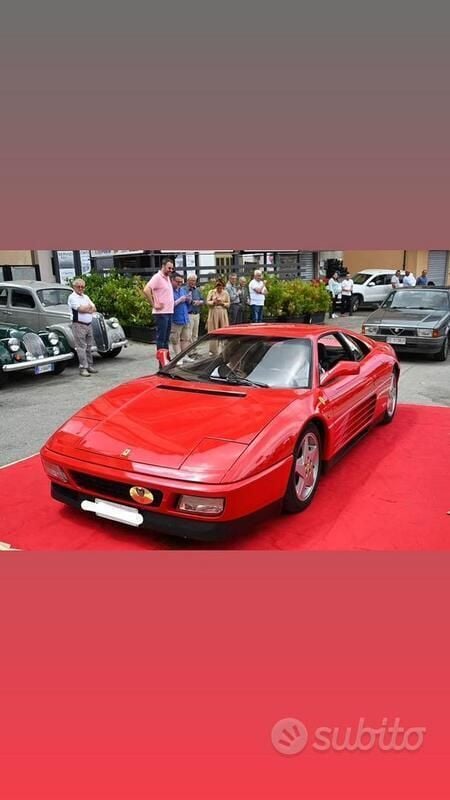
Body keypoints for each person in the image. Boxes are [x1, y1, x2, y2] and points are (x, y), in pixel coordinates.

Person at [143, 257, 174, 367]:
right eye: (169, 268)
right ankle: (162, 362)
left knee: (166, 338)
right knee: (161, 338)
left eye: (172, 268)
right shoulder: (157, 277)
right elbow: (146, 290)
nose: (171, 270)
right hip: (161, 313)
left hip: (169, 311)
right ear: (163, 266)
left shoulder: (167, 278)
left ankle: (166, 360)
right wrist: (154, 304)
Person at [68, 278, 98, 377]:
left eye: (82, 287)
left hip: (88, 324)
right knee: (81, 347)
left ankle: (90, 365)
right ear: (74, 287)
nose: (80, 288)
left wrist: (87, 308)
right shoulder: (72, 297)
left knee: (89, 347)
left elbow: (94, 308)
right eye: (78, 286)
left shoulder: (86, 297)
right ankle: (83, 368)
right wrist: (88, 308)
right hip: (78, 325)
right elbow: (80, 309)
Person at [170, 273, 191, 355]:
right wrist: (179, 300)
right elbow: (169, 306)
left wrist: (188, 299)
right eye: (177, 282)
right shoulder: (169, 291)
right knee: (175, 339)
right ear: (172, 280)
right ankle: (178, 358)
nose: (179, 284)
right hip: (176, 319)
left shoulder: (182, 290)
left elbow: (187, 303)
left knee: (186, 338)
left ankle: (184, 356)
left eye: (181, 282)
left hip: (185, 318)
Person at [185, 272, 204, 344]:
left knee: (195, 334)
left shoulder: (198, 290)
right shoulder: (184, 289)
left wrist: (199, 302)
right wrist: (192, 302)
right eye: (192, 280)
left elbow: (203, 300)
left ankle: (194, 351)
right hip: (189, 313)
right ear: (188, 280)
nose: (193, 282)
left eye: (194, 280)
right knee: (188, 333)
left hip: (197, 314)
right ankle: (189, 352)